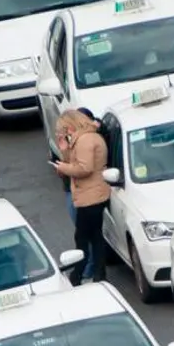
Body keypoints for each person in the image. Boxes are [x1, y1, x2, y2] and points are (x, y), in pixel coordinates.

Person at [52, 109, 109, 286]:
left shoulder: (85, 140)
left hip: (91, 195)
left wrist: (63, 168)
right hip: (90, 194)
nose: (62, 133)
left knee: (83, 237)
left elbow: (84, 168)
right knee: (94, 236)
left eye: (63, 129)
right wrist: (65, 150)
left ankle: (78, 274)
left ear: (70, 126)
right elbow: (75, 162)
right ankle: (98, 273)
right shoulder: (84, 139)